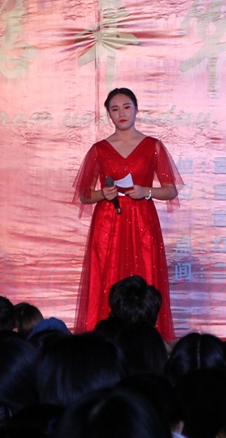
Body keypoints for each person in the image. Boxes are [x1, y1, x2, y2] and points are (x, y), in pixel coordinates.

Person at [73, 87, 182, 340]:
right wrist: (103, 194)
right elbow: (85, 195)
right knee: (106, 277)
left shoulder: (153, 146)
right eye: (114, 109)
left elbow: (171, 190)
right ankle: (104, 343)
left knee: (144, 274)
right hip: (108, 220)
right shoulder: (99, 149)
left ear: (136, 110)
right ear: (108, 115)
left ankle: (147, 341)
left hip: (143, 219)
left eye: (126, 107)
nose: (121, 113)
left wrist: (146, 191)